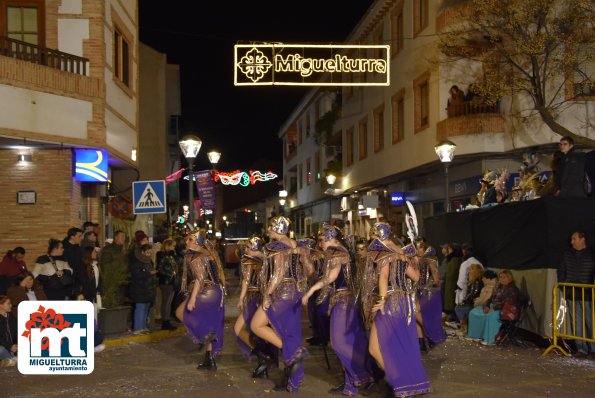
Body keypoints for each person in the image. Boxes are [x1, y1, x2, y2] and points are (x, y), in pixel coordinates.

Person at [302, 224, 374, 396]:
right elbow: (315, 272)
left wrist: (311, 291)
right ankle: (352, 382)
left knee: (339, 343)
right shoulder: (336, 251)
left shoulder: (337, 252)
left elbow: (331, 277)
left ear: (330, 238)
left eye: (321, 240)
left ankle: (361, 375)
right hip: (342, 301)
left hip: (344, 302)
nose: (320, 244)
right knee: (347, 342)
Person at [363, 222, 431, 397]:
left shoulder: (384, 251)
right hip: (404, 303)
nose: (372, 243)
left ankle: (398, 381)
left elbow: (384, 276)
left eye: (373, 238)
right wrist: (415, 262)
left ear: (380, 236)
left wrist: (382, 299)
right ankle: (402, 383)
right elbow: (416, 277)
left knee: (374, 348)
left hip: (391, 302)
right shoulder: (401, 251)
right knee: (396, 345)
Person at [250, 216, 311, 392]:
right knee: (286, 332)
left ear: (277, 228)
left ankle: (294, 354)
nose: (268, 230)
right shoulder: (295, 245)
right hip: (295, 292)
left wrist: (267, 294)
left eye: (270, 226)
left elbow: (277, 273)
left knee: (257, 325)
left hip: (281, 292)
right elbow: (310, 270)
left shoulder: (275, 246)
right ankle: (290, 375)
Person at [176, 229, 226, 371]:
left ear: (198, 242)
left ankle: (205, 333)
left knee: (180, 312)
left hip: (207, 291)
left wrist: (192, 299)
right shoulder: (208, 253)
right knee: (209, 323)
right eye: (187, 239)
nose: (186, 242)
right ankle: (209, 359)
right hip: (216, 292)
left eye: (190, 239)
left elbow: (199, 278)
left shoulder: (196, 256)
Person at [234, 235, 276, 378]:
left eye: (247, 246)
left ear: (254, 247)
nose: (245, 249)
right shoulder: (260, 259)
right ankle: (264, 359)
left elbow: (249, 280)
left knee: (250, 332)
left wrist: (242, 298)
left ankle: (264, 360)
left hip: (260, 299)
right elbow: (247, 280)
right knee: (248, 331)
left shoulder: (261, 260)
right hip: (259, 298)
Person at [557, 230, 595, 358]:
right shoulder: (567, 254)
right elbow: (561, 270)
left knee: (591, 322)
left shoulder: (592, 253)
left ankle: (593, 349)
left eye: (574, 239)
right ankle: (581, 349)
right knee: (576, 323)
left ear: (582, 239)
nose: (572, 241)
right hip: (571, 293)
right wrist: (564, 287)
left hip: (588, 294)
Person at [467, 269, 521, 345]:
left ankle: (489, 339)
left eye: (504, 277)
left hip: (506, 310)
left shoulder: (513, 290)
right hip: (493, 306)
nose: (502, 279)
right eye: (500, 277)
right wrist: (487, 306)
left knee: (491, 316)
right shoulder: (498, 287)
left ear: (509, 278)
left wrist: (493, 307)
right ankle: (476, 335)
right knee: (473, 312)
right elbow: (490, 298)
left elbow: (507, 303)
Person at [415, 241, 446, 352]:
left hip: (427, 291)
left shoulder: (429, 259)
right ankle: (422, 343)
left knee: (415, 311)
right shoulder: (418, 259)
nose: (417, 250)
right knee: (415, 315)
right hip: (418, 290)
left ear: (425, 249)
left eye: (419, 248)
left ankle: (432, 333)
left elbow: (436, 278)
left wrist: (433, 282)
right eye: (416, 248)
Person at [129, 243, 156, 335]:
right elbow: (136, 275)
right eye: (147, 252)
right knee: (140, 308)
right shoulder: (137, 262)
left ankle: (143, 327)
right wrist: (149, 273)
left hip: (148, 289)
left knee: (145, 308)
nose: (149, 254)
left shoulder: (149, 261)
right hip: (139, 289)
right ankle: (138, 328)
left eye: (150, 252)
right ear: (142, 252)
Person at [454, 244, 483, 319]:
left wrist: (459, 290)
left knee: (460, 310)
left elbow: (461, 280)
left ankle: (463, 327)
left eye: (463, 251)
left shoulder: (465, 263)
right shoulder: (479, 263)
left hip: (465, 291)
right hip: (476, 293)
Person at [454, 264, 484, 336]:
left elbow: (474, 293)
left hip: (474, 303)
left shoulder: (477, 281)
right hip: (471, 302)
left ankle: (464, 327)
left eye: (471, 269)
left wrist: (464, 301)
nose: (469, 271)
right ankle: (463, 326)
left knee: (459, 308)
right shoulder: (473, 281)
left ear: (476, 271)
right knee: (459, 308)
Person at [73, 246, 102, 320]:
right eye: (94, 252)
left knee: (95, 314)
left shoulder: (96, 265)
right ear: (89, 253)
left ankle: (94, 329)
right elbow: (78, 281)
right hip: (85, 296)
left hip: (95, 295)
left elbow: (99, 279)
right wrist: (79, 294)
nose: (96, 253)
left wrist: (99, 290)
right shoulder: (81, 266)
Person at [157, 239, 178, 331]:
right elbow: (161, 268)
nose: (174, 248)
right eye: (173, 246)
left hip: (171, 281)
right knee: (166, 302)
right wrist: (171, 274)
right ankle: (165, 321)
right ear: (168, 246)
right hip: (166, 282)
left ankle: (167, 320)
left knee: (168, 302)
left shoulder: (171, 255)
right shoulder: (162, 255)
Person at [441, 242, 462, 321]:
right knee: (448, 301)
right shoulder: (451, 259)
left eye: (449, 249)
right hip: (448, 284)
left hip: (451, 284)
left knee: (450, 301)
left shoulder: (455, 260)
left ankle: (452, 316)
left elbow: (451, 274)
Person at [0, 295, 17, 367]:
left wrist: (16, 344)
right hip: (5, 347)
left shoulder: (11, 317)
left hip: (13, 347)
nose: (11, 305)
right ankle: (13, 360)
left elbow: (17, 333)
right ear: (1, 305)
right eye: (8, 303)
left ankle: (12, 360)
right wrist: (9, 346)